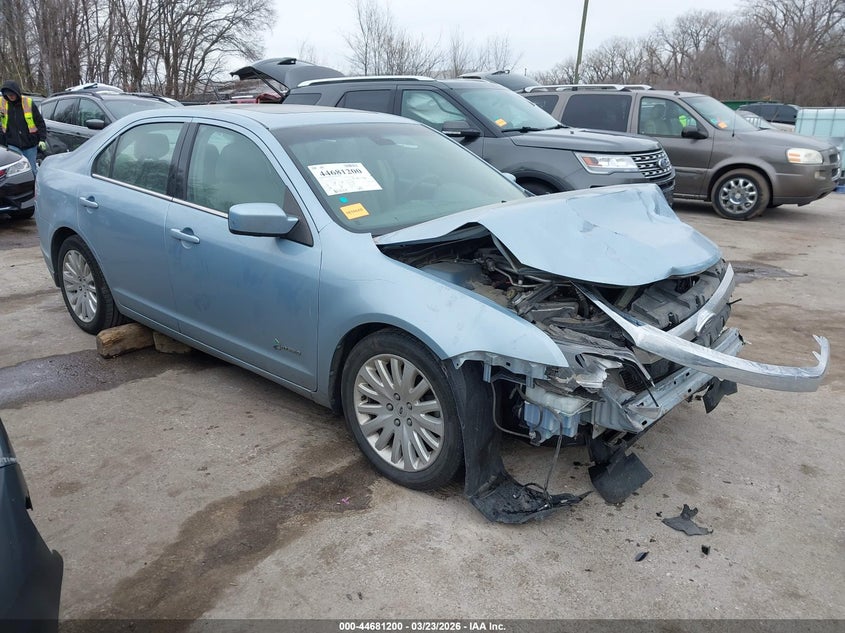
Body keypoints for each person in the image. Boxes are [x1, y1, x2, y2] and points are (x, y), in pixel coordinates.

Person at [0, 80, 47, 174]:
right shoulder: (2, 103)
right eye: (8, 95)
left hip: (30, 143)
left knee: (32, 170)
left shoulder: (28, 102)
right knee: (17, 172)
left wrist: (42, 139)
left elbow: (40, 122)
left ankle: (35, 182)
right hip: (12, 144)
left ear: (16, 92)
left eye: (12, 94)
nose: (10, 96)